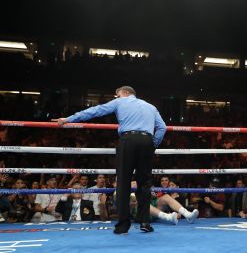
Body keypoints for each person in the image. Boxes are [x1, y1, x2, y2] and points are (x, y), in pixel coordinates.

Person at [54, 86, 167, 234]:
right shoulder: (151, 106)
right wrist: (153, 144)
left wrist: (68, 119)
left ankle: (123, 225)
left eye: (118, 95)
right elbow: (162, 127)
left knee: (123, 183)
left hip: (128, 140)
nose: (117, 97)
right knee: (145, 184)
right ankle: (145, 221)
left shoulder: (120, 102)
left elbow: (94, 111)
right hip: (147, 141)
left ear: (125, 93)